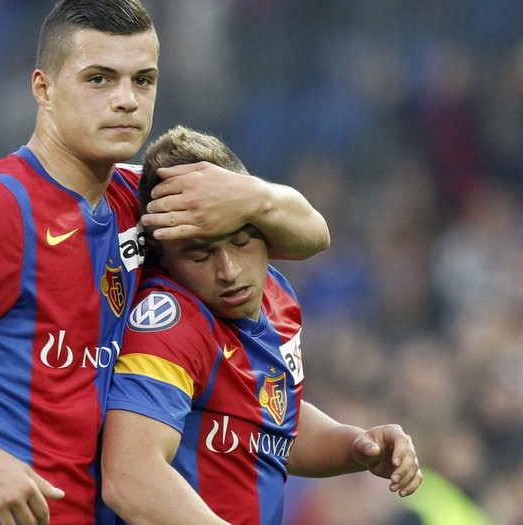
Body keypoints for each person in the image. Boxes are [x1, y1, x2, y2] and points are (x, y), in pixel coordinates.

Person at [0, 2, 330, 524]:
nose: (126, 100)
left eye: (143, 80)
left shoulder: (137, 202)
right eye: (99, 79)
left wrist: (256, 199)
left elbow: (311, 236)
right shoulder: (2, 208)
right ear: (43, 88)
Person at [101, 125, 423, 525]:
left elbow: (268, 420)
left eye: (241, 242)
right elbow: (130, 478)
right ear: (163, 258)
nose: (229, 272)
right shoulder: (169, 323)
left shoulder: (276, 298)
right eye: (200, 255)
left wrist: (354, 444)